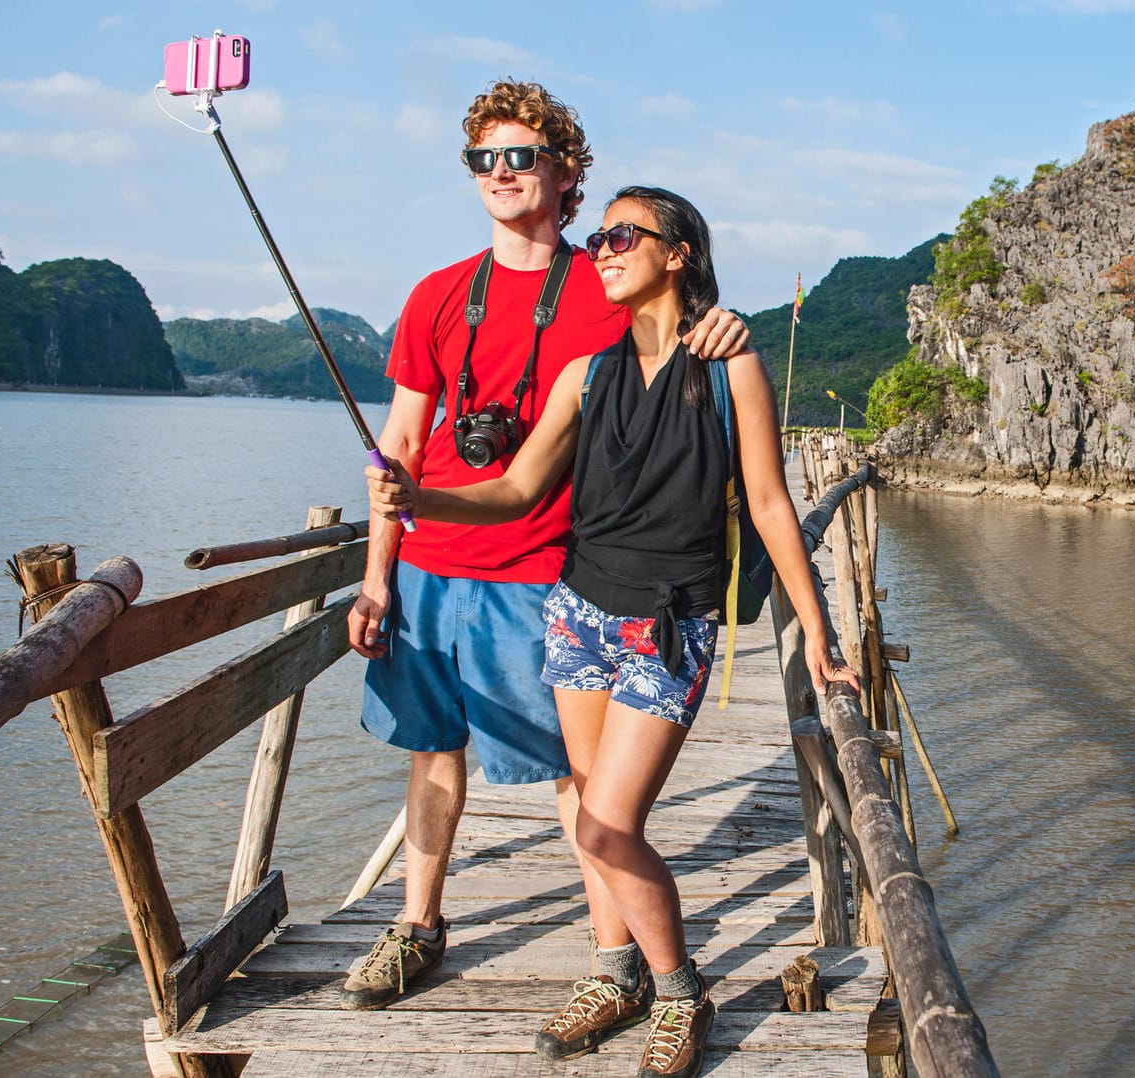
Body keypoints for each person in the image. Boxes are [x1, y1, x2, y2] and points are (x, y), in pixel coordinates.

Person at [367, 185, 856, 1078]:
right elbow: (514, 491)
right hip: (579, 614)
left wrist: (818, 632)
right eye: (599, 236)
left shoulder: (729, 364)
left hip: (669, 625)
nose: (603, 246)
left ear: (678, 255)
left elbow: (772, 505)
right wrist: (418, 499)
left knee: (603, 825)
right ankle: (618, 972)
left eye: (625, 234)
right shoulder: (584, 374)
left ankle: (679, 990)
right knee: (591, 805)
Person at [340, 82, 750, 1013]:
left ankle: (614, 957)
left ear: (568, 173)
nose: (500, 174)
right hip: (428, 566)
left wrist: (729, 327)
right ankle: (418, 925)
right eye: (483, 159)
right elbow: (397, 449)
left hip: (546, 572)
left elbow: (684, 337)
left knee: (578, 780)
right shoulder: (438, 295)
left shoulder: (607, 279)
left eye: (521, 156)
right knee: (431, 751)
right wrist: (374, 582)